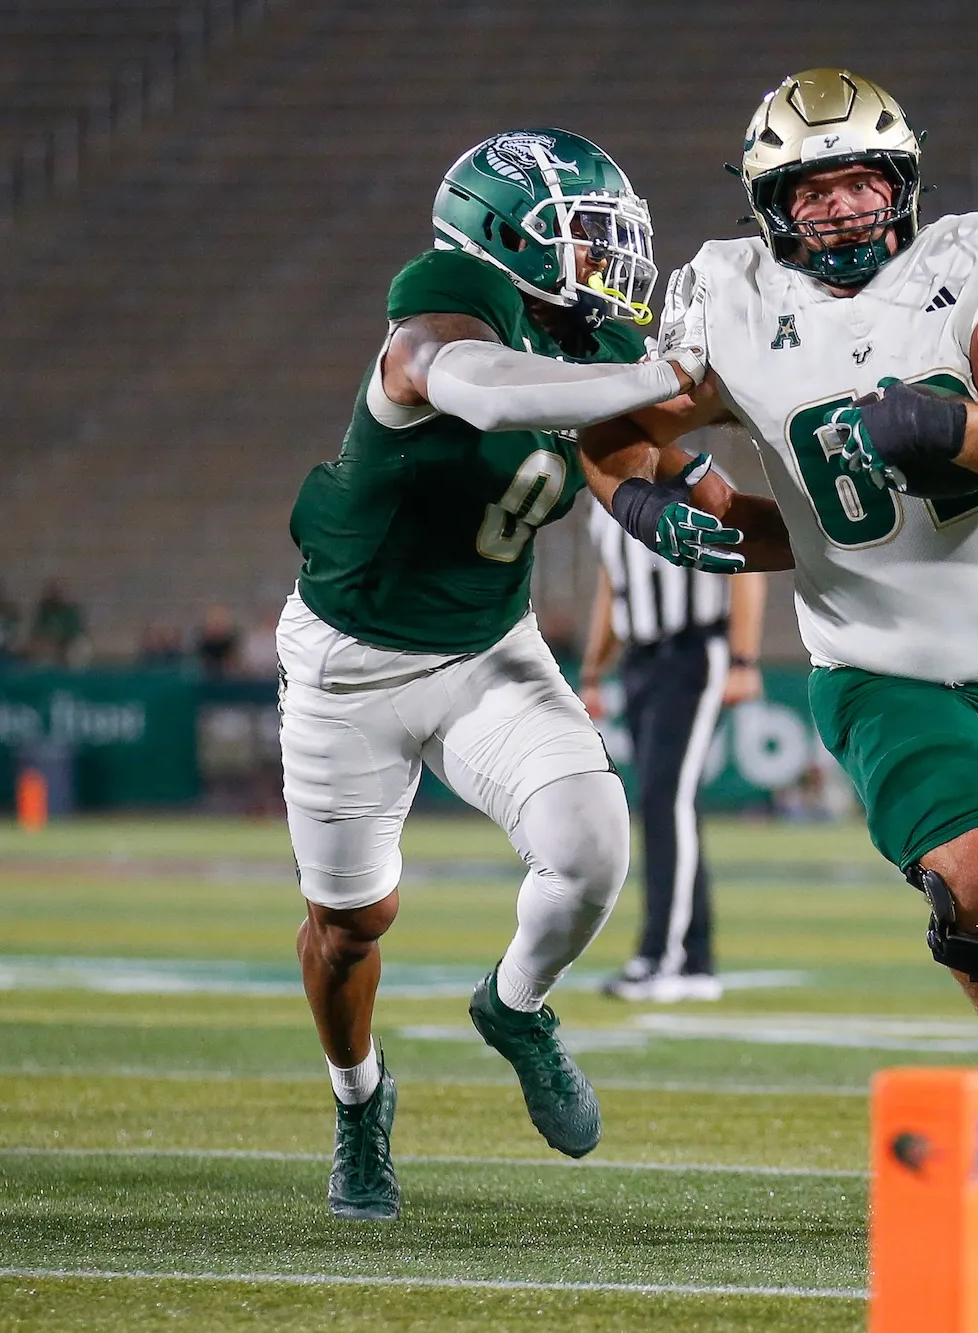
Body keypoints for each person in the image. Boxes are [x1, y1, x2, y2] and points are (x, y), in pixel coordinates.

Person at [575, 70, 978, 1238]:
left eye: (863, 178)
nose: (842, 207)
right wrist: (651, 509)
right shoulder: (723, 297)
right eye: (811, 190)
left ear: (904, 182)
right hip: (875, 660)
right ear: (768, 205)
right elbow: (611, 432)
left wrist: (950, 424)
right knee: (976, 879)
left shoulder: (976, 269)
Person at [277, 127, 710, 1222]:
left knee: (591, 846)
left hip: (486, 650)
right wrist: (664, 373)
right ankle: (358, 1098)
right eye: (590, 238)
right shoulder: (442, 317)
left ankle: (513, 1008)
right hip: (351, 667)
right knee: (350, 926)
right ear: (503, 236)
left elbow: (672, 464)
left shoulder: (598, 340)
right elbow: (486, 391)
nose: (615, 264)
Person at [578, 498, 766, 1001]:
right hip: (639, 659)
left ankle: (665, 957)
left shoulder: (691, 488)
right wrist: (594, 668)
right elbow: (612, 586)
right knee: (667, 805)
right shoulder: (605, 504)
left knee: (666, 802)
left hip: (693, 651)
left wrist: (744, 658)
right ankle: (694, 960)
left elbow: (746, 566)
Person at [26, 579, 88, 667]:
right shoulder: (45, 609)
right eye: (54, 592)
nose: (57, 595)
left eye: (60, 592)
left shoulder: (71, 609)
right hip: (50, 641)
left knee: (79, 647)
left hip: (70, 642)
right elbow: (38, 630)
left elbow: (74, 632)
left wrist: (60, 642)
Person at [195, 605, 242, 678]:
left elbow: (234, 665)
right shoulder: (202, 644)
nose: (217, 625)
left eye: (220, 622)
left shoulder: (232, 642)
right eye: (214, 621)